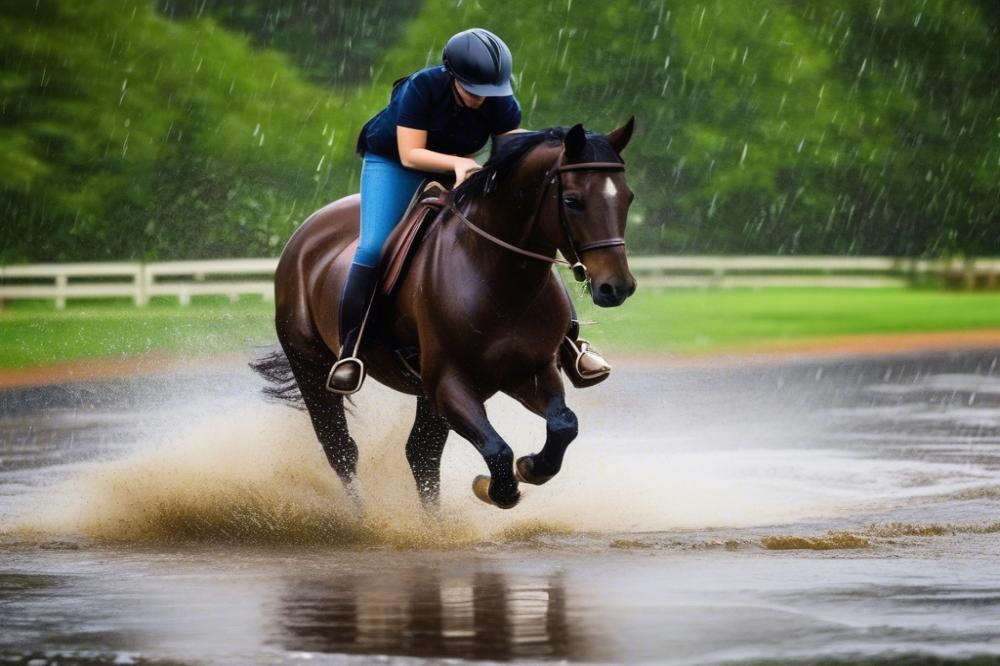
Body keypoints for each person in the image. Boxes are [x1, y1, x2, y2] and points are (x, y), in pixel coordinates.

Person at [327, 27, 611, 394]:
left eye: (489, 92)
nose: (481, 99)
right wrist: (459, 164)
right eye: (472, 91)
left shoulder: (498, 97)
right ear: (452, 76)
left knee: (525, 238)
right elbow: (412, 153)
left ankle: (570, 343)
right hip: (395, 162)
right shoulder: (421, 87)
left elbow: (510, 149)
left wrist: (547, 151)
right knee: (373, 245)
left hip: (459, 165)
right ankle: (350, 350)